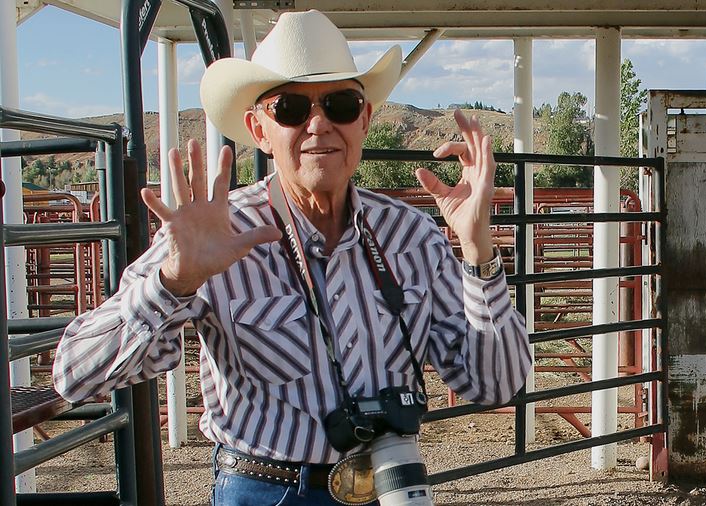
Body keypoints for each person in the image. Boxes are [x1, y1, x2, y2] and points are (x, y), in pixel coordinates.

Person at [53, 9, 531, 505]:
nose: (319, 124)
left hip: (387, 486)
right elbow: (74, 374)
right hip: (264, 489)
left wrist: (478, 250)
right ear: (258, 129)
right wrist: (173, 282)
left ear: (365, 119)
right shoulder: (217, 233)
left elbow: (496, 385)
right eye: (290, 109)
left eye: (341, 104)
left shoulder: (409, 234)